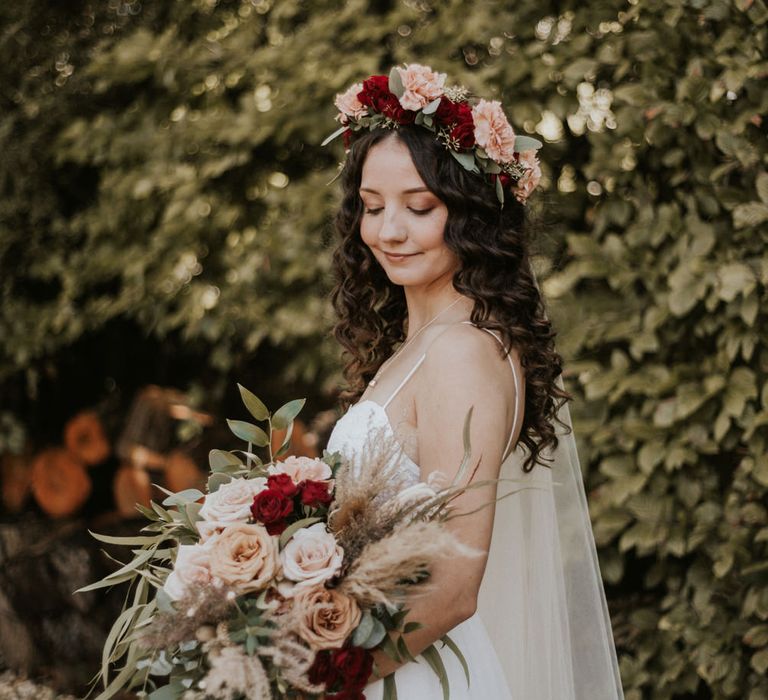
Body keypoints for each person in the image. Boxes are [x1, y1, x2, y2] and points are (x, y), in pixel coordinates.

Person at [324, 64, 624, 700]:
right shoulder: (417, 348)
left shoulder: (461, 352)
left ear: (471, 215)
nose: (389, 231)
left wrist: (319, 679)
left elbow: (454, 585)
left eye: (420, 207)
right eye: (372, 208)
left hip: (413, 676)